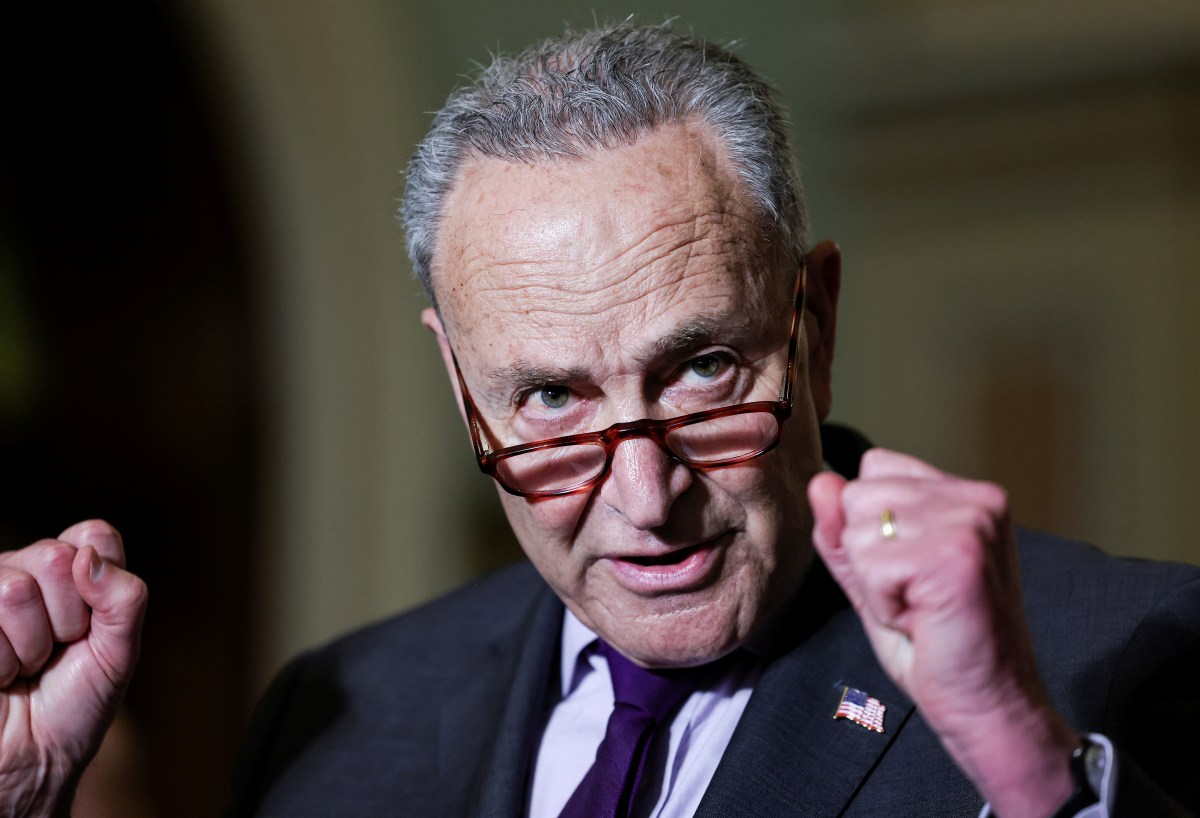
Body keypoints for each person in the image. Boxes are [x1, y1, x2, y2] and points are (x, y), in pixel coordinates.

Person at [3, 21, 1197, 818]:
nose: (647, 498)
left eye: (702, 372)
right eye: (553, 397)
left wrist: (1026, 764)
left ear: (813, 325)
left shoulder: (1128, 652)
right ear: (461, 385)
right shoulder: (344, 714)